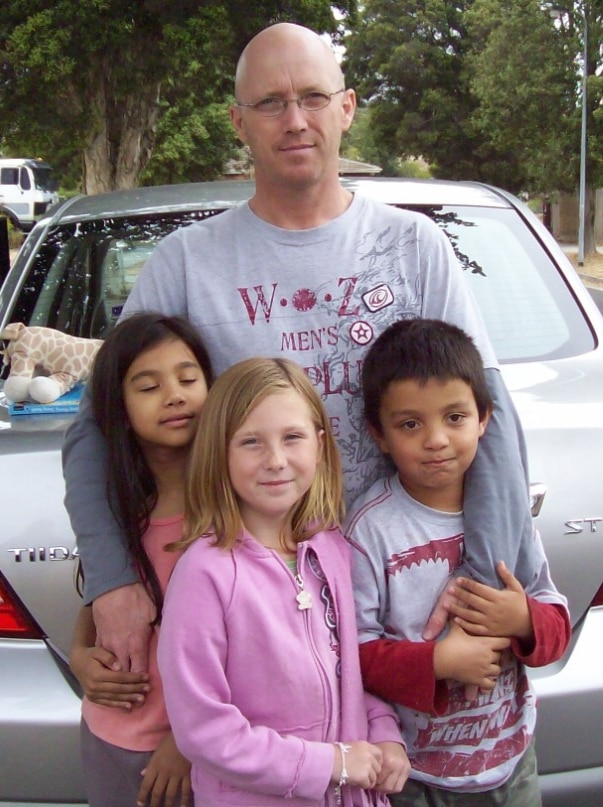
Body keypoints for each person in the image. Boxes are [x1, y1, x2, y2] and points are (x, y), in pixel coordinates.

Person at [62, 21, 537, 676]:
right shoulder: (184, 265)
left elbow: (491, 421)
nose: (294, 120)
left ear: (346, 108)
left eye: (313, 97)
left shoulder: (415, 247)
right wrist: (112, 581)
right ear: (238, 121)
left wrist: (478, 589)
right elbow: (95, 428)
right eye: (269, 103)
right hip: (255, 625)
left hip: (411, 614)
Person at [156, 356, 409, 805]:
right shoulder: (205, 574)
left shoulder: (332, 549)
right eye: (251, 442)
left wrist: (384, 734)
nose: (275, 460)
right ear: (220, 453)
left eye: (292, 437)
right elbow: (203, 730)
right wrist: (328, 763)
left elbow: (351, 672)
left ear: (319, 444)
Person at [344, 319, 572, 805]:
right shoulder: (370, 531)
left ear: (485, 418)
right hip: (415, 779)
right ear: (378, 434)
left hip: (511, 766)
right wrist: (438, 662)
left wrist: (522, 620)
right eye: (410, 424)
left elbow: (556, 621)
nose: (436, 440)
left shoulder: (506, 519)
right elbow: (353, 654)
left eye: (455, 417)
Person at [69, 312, 214, 807]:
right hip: (108, 738)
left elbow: (247, 646)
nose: (175, 395)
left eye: (188, 378)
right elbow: (97, 605)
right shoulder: (117, 514)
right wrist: (79, 658)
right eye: (148, 387)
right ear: (119, 409)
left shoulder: (232, 517)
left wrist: (186, 742)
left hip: (195, 754)